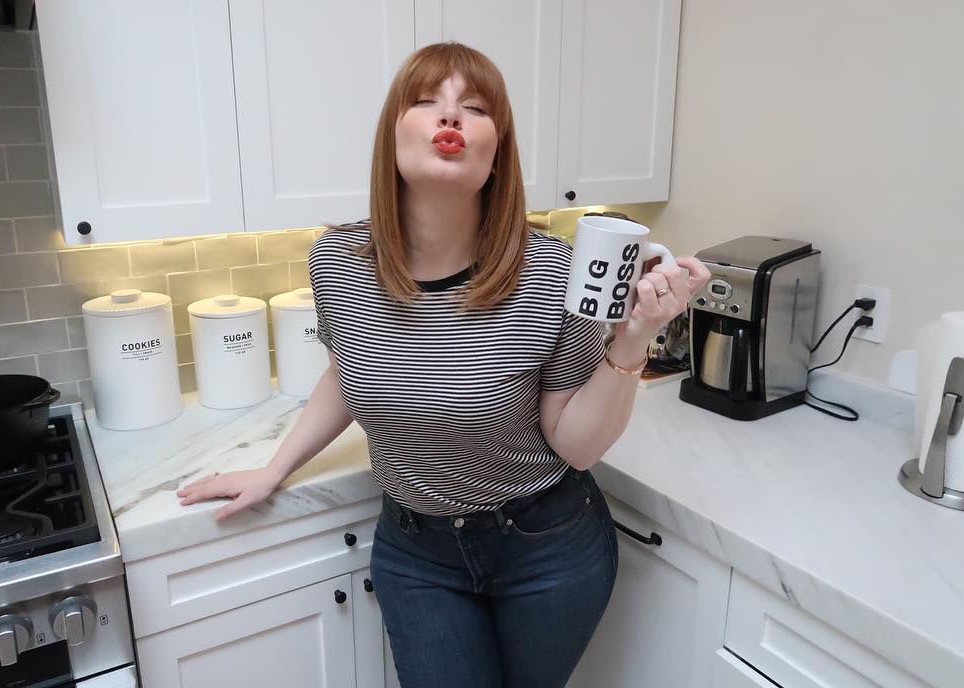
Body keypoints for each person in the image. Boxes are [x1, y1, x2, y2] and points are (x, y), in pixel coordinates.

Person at [178, 42, 711, 688]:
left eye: (474, 108)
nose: (449, 118)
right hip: (417, 553)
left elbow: (574, 445)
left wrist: (635, 336)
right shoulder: (338, 262)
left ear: (497, 149)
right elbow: (349, 374)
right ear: (392, 137)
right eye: (427, 102)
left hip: (548, 550)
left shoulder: (552, 275)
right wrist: (273, 467)